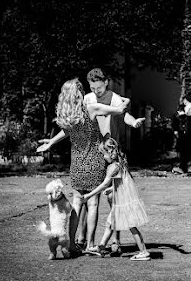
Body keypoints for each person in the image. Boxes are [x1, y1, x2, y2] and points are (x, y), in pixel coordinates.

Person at [36, 78, 129, 255]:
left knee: (77, 203)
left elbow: (66, 131)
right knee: (93, 204)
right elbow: (120, 109)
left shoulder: (69, 116)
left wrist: (51, 142)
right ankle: (91, 244)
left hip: (77, 164)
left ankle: (70, 244)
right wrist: (126, 100)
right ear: (79, 93)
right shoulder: (91, 108)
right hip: (94, 161)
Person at [75, 68, 145, 252]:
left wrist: (133, 122)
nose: (96, 91)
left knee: (114, 199)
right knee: (89, 195)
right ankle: (82, 239)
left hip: (111, 153)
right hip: (92, 151)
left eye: (99, 87)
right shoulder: (88, 99)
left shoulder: (115, 98)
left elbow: (125, 115)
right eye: (92, 87)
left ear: (106, 82)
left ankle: (116, 241)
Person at [83, 135, 150, 261]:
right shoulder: (120, 162)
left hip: (124, 201)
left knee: (131, 225)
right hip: (122, 199)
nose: (103, 157)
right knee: (110, 222)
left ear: (110, 152)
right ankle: (101, 247)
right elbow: (120, 182)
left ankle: (144, 251)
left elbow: (104, 184)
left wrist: (89, 195)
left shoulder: (113, 167)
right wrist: (111, 189)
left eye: (103, 154)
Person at [172, 104, 191, 176]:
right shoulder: (189, 118)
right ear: (184, 110)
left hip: (182, 139)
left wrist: (177, 139)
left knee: (183, 155)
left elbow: (175, 132)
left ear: (178, 111)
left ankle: (182, 168)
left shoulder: (176, 118)